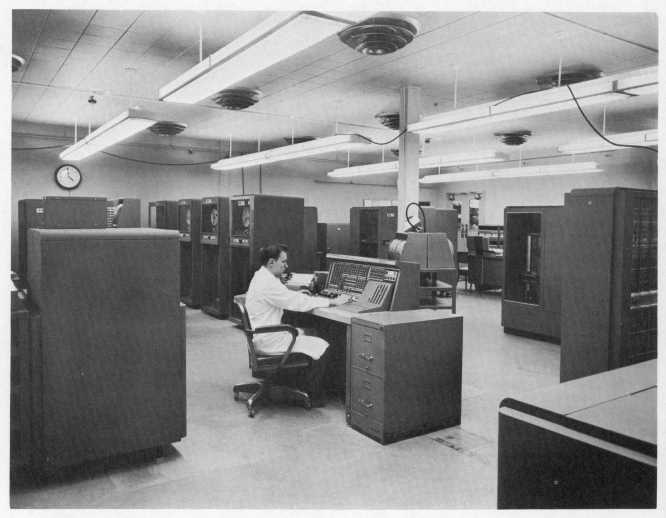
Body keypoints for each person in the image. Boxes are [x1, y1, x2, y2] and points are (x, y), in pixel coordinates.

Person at [245, 244, 350, 406]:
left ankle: (299, 383)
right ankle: (313, 396)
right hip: (270, 340)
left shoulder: (261, 277)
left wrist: (294, 295)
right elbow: (296, 303)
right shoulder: (268, 283)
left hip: (261, 336)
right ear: (271, 262)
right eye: (283, 262)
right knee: (322, 345)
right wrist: (331, 302)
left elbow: (285, 297)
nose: (286, 265)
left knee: (307, 332)